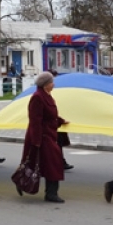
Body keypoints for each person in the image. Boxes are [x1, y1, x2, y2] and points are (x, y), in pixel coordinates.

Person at [18, 71, 68, 203]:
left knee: (44, 164)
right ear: (45, 84)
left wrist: (61, 121)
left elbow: (50, 115)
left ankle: (48, 191)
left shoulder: (47, 96)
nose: (53, 84)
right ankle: (50, 193)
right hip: (41, 137)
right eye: (51, 82)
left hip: (49, 135)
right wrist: (36, 141)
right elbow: (35, 120)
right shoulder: (37, 97)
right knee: (51, 164)